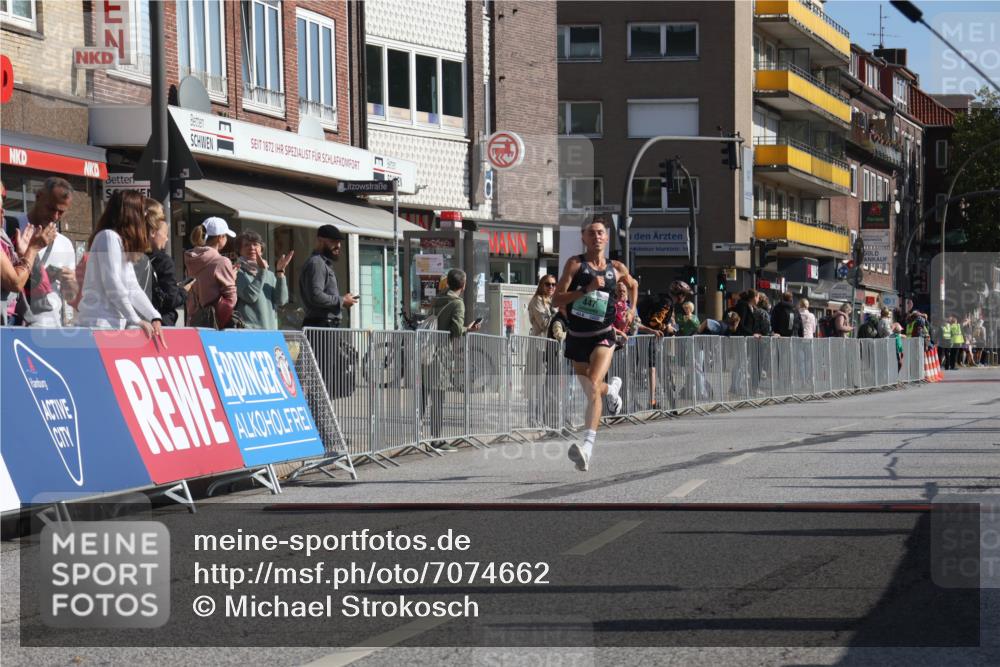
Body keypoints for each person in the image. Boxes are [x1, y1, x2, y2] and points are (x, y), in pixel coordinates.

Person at [552, 216, 636, 472]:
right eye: (591, 233)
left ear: (607, 237)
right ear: (583, 238)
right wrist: (585, 290)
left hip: (603, 334)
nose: (596, 237)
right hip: (577, 335)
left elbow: (633, 285)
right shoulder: (575, 264)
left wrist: (632, 309)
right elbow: (557, 299)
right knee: (593, 388)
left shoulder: (617, 267)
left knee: (591, 389)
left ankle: (587, 448)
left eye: (600, 233)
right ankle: (611, 390)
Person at [75, 190, 165, 345]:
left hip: (112, 324)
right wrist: (135, 319)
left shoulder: (118, 241)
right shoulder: (107, 237)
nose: (145, 217)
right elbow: (112, 283)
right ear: (131, 213)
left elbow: (132, 287)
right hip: (98, 323)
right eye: (142, 212)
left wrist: (154, 316)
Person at [9, 177, 78, 326]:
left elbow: (70, 296)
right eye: (51, 208)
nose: (55, 216)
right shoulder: (10, 228)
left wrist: (71, 284)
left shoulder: (65, 244)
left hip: (52, 327)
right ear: (38, 197)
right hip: (15, 326)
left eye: (61, 212)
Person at [427, 269, 482, 451]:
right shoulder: (457, 303)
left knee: (423, 395)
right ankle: (437, 440)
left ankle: (418, 438)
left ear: (448, 282)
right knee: (437, 398)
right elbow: (456, 330)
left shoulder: (437, 299)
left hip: (424, 351)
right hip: (440, 353)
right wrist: (469, 328)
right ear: (464, 285)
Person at [141, 199, 188, 326]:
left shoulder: (132, 256)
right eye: (165, 234)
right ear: (152, 233)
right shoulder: (163, 261)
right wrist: (183, 291)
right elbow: (170, 300)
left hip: (137, 322)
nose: (167, 239)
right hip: (159, 323)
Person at [185, 216, 238, 329]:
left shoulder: (191, 259)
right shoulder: (221, 261)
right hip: (214, 324)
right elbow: (231, 299)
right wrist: (232, 277)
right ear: (220, 237)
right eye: (226, 236)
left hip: (194, 320)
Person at [300, 224, 357, 327]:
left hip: (324, 324)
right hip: (320, 324)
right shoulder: (317, 263)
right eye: (333, 241)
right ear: (320, 240)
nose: (338, 245)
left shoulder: (321, 263)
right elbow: (316, 295)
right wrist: (342, 300)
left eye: (339, 242)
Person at [235, 229, 293, 330]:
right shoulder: (237, 272)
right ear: (239, 251)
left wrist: (280, 272)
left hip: (270, 331)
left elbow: (281, 301)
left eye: (255, 244)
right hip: (248, 332)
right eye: (246, 245)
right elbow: (250, 296)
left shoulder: (269, 274)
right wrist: (262, 271)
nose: (252, 248)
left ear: (261, 249)